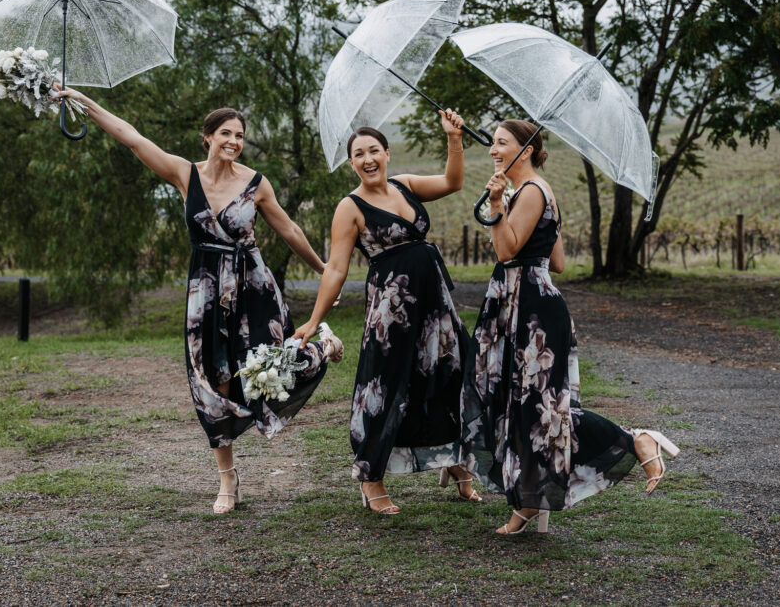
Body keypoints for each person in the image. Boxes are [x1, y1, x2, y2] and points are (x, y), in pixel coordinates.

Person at [50, 86, 343, 514]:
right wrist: (82, 103)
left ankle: (322, 348)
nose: (234, 142)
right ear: (207, 137)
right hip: (205, 292)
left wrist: (324, 272)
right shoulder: (184, 174)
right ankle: (228, 480)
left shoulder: (257, 184)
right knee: (212, 380)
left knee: (271, 367)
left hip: (253, 287)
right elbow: (131, 137)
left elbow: (290, 231)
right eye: (226, 133)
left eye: (240, 135)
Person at [460, 119, 678, 535]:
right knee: (523, 410)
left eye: (502, 143)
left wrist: (495, 206)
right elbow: (556, 262)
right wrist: (506, 205)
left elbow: (506, 251)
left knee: (546, 411)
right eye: (492, 143)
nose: (492, 150)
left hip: (530, 311)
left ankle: (636, 439)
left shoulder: (531, 191)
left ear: (526, 149)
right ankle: (527, 501)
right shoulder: (538, 192)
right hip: (527, 303)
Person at [294, 110, 479, 514]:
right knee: (386, 388)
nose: (367, 158)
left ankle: (457, 463)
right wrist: (312, 319)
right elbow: (337, 269)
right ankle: (371, 479)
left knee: (452, 376)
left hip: (436, 306)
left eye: (374, 149)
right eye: (358, 154)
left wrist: (453, 138)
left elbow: (453, 182)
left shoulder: (406, 185)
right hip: (391, 313)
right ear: (351, 163)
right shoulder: (350, 207)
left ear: (387, 153)